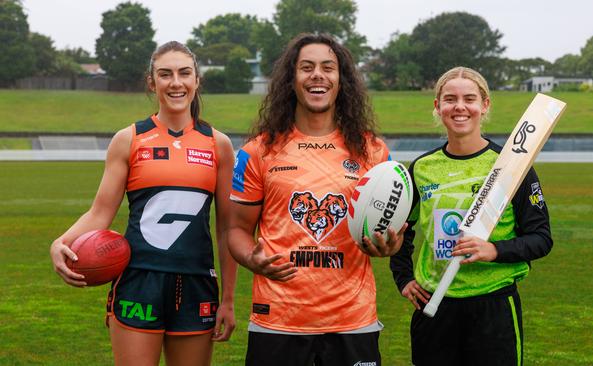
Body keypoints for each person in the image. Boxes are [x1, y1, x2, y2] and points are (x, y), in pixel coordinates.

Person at [49, 41, 237, 366]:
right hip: (139, 280)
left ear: (197, 80)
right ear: (152, 82)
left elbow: (227, 229)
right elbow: (100, 213)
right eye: (165, 74)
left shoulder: (218, 145)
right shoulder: (129, 139)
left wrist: (229, 300)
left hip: (196, 282)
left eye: (184, 73)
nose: (175, 83)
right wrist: (61, 242)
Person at [228, 33, 405, 366]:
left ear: (342, 80)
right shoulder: (258, 151)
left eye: (328, 67)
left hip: (352, 319)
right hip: (278, 319)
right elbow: (236, 230)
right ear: (291, 80)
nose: (317, 75)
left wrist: (391, 244)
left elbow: (395, 229)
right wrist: (252, 259)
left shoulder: (373, 151)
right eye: (306, 67)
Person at [390, 66, 553, 366]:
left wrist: (494, 250)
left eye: (469, 98)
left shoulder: (513, 166)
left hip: (494, 307)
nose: (460, 107)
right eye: (450, 99)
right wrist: (403, 278)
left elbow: (541, 239)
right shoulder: (422, 168)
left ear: (485, 105)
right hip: (434, 306)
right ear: (438, 107)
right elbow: (401, 230)